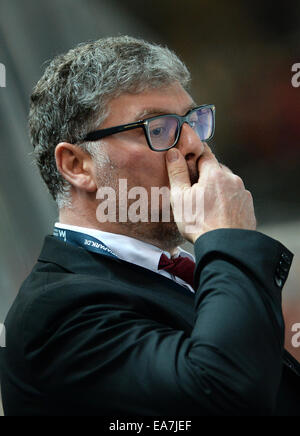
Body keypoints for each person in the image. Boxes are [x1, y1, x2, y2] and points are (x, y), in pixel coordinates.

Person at [1, 36, 299, 416]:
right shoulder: (54, 314)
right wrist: (228, 237)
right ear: (77, 165)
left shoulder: (170, 270)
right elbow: (225, 396)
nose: (193, 144)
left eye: (192, 121)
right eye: (158, 128)